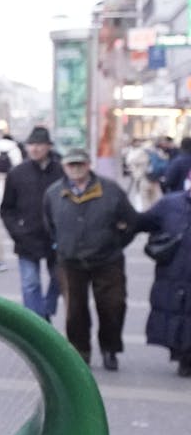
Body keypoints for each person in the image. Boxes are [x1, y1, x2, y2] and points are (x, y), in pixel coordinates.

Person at [43, 147, 139, 370]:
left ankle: (110, 349)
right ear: (64, 167)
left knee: (112, 306)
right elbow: (50, 225)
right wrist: (63, 246)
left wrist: (115, 243)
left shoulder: (111, 190)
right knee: (75, 310)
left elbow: (131, 221)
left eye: (80, 164)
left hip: (107, 260)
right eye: (71, 165)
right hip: (70, 262)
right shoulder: (53, 193)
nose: (76, 169)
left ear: (88, 165)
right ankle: (80, 352)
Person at [0, 126, 66, 320]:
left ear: (49, 147)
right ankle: (36, 322)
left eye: (39, 145)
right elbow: (6, 209)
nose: (35, 149)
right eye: (31, 145)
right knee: (30, 283)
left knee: (60, 279)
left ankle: (45, 310)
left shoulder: (61, 172)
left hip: (56, 237)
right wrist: (16, 231)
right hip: (27, 236)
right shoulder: (17, 173)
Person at [135, 174, 191, 376]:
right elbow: (143, 222)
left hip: (177, 272)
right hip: (175, 271)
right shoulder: (170, 204)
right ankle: (183, 355)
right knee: (177, 312)